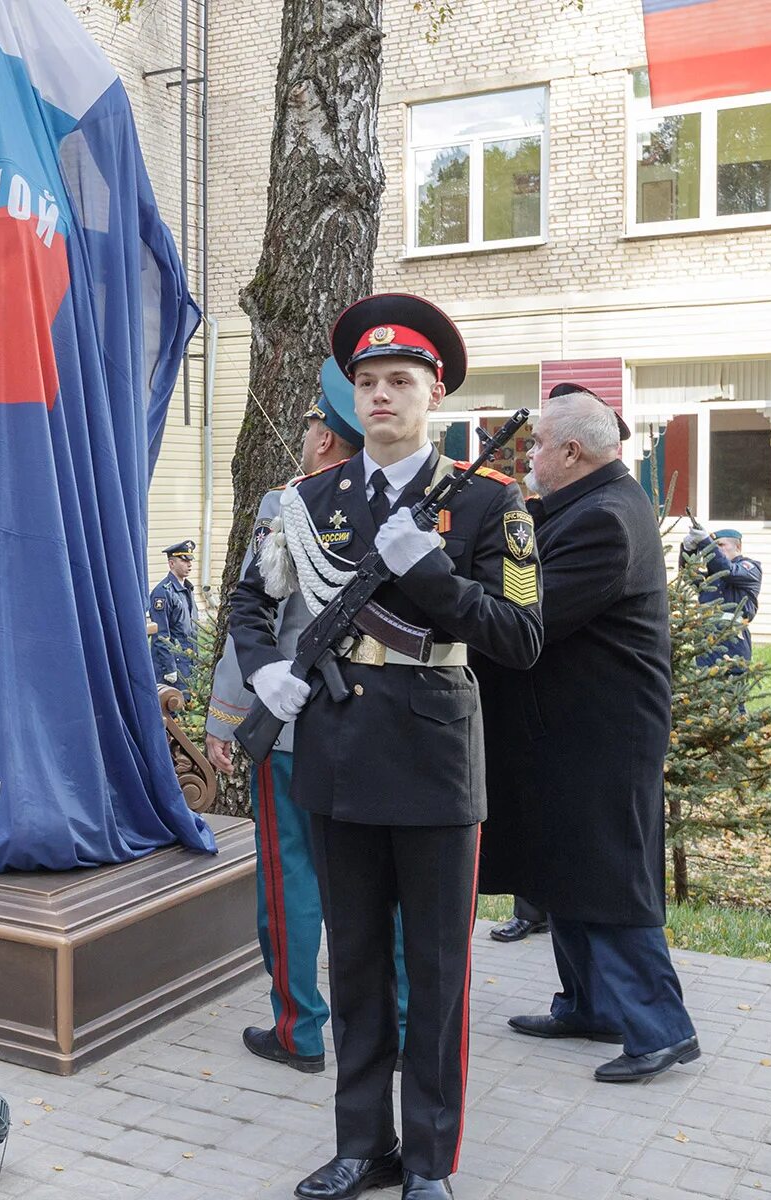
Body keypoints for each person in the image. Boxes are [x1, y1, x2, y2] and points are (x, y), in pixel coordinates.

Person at [233, 294, 543, 1200]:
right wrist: (263, 674)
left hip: (435, 757)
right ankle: (361, 1143)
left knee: (437, 973)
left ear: (433, 395)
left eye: (399, 381)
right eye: (365, 382)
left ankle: (428, 1161)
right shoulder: (306, 501)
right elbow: (253, 601)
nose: (380, 396)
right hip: (334, 752)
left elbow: (521, 636)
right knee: (357, 959)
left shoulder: (491, 504)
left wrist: (431, 572)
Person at [481, 384, 701, 1085]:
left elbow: (530, 618)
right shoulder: (590, 502)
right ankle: (589, 1004)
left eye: (538, 445)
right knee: (567, 866)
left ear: (572, 451)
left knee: (608, 876)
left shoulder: (605, 518)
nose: (529, 456)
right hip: (570, 730)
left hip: (603, 734)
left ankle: (662, 1029)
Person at [207, 358, 409, 1076]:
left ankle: (299, 1029)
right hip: (388, 733)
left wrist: (229, 717)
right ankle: (404, 1025)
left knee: (291, 875)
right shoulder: (411, 502)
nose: (305, 435)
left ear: (326, 439)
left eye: (310, 425)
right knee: (390, 885)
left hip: (292, 728)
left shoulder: (287, 504)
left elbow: (253, 617)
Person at [683, 526, 762, 669]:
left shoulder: (749, 568)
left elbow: (727, 571)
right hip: (706, 641)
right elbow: (689, 576)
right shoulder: (711, 576)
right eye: (714, 546)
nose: (716, 550)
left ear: (737, 547)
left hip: (732, 642)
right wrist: (688, 550)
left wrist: (706, 542)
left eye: (720, 545)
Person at [151, 540, 199, 691]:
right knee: (172, 709)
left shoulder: (187, 588)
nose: (189, 564)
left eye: (190, 560)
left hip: (188, 662)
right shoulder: (163, 593)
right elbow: (161, 635)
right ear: (171, 564)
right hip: (172, 666)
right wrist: (170, 667)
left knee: (187, 707)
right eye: (184, 560)